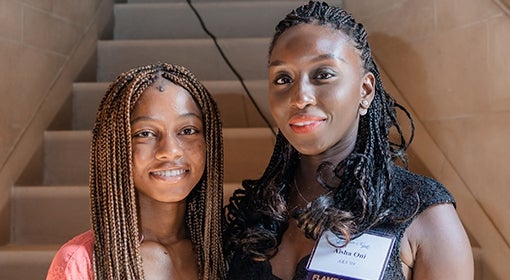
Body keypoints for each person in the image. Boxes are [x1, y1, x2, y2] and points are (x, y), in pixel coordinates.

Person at [224, 1, 473, 279]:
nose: (300, 97)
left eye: (323, 74)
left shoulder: (425, 215)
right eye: (283, 79)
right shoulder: (255, 212)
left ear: (365, 90)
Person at [46, 63, 227, 279]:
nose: (170, 151)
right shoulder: (81, 263)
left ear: (209, 142)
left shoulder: (233, 251)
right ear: (115, 146)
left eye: (188, 130)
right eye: (146, 133)